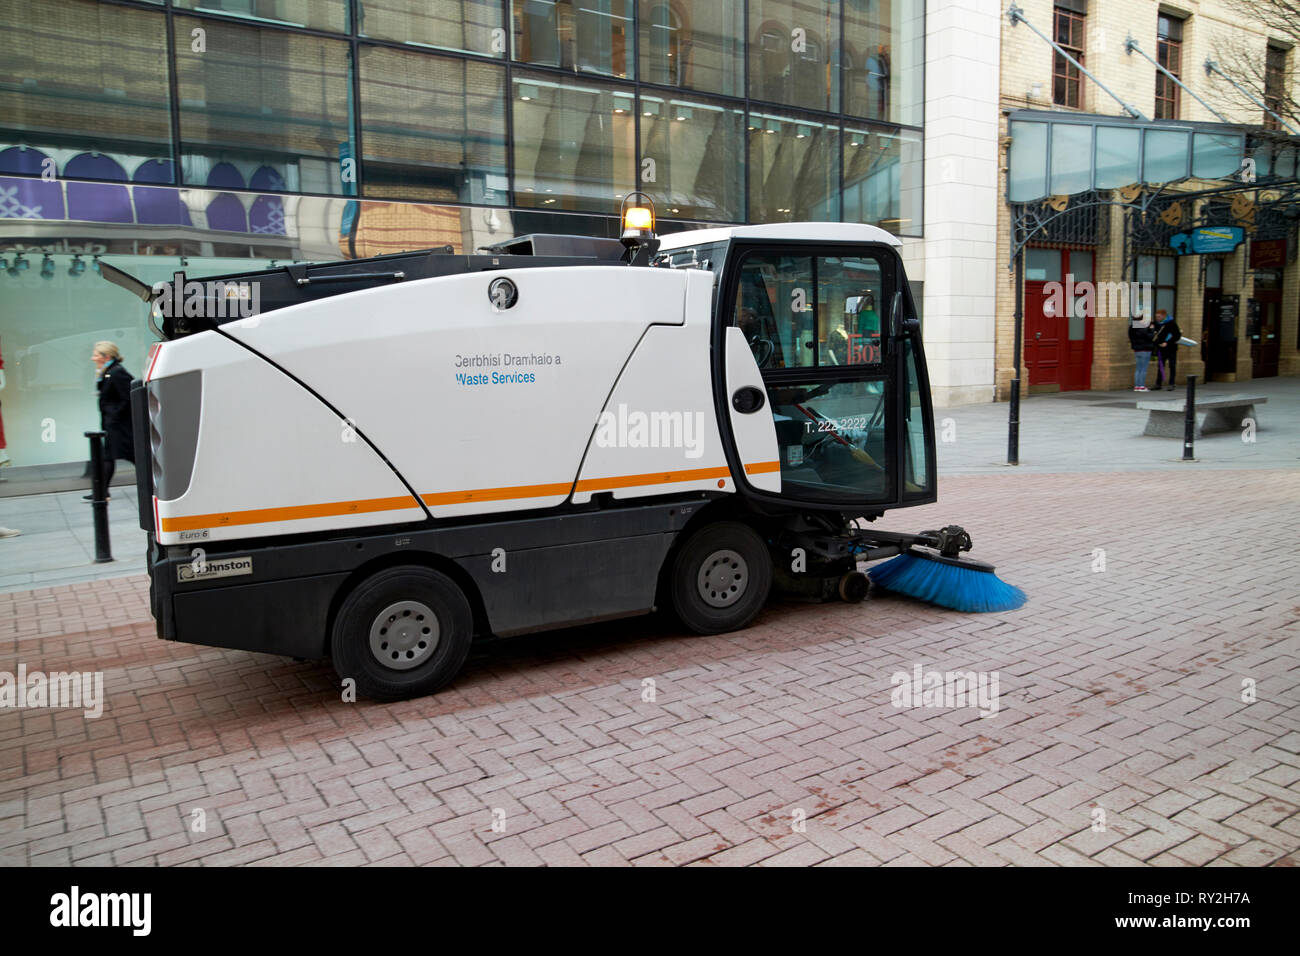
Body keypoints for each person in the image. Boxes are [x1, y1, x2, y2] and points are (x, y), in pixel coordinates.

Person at [88, 341, 134, 500]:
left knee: (127, 456)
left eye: (95, 355)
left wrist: (114, 415)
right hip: (113, 423)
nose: (92, 358)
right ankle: (102, 492)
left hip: (119, 425)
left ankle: (101, 493)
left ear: (106, 356)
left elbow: (128, 396)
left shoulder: (116, 372)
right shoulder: (108, 371)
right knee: (110, 456)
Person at [1152, 309, 1183, 390]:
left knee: (1172, 365)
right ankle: (1158, 384)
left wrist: (1167, 343)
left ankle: (1171, 383)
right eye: (1156, 317)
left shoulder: (1172, 323)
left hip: (1171, 348)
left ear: (1163, 316)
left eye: (1158, 317)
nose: (1157, 318)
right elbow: (1155, 335)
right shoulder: (1156, 324)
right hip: (1161, 348)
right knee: (1160, 366)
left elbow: (1177, 335)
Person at [1128, 313, 1156, 391]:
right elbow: (1150, 336)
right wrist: (1152, 329)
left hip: (1137, 349)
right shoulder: (1143, 327)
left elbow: (1131, 337)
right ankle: (1142, 386)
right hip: (1145, 349)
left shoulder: (1131, 327)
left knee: (1138, 368)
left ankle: (1137, 386)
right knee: (1143, 369)